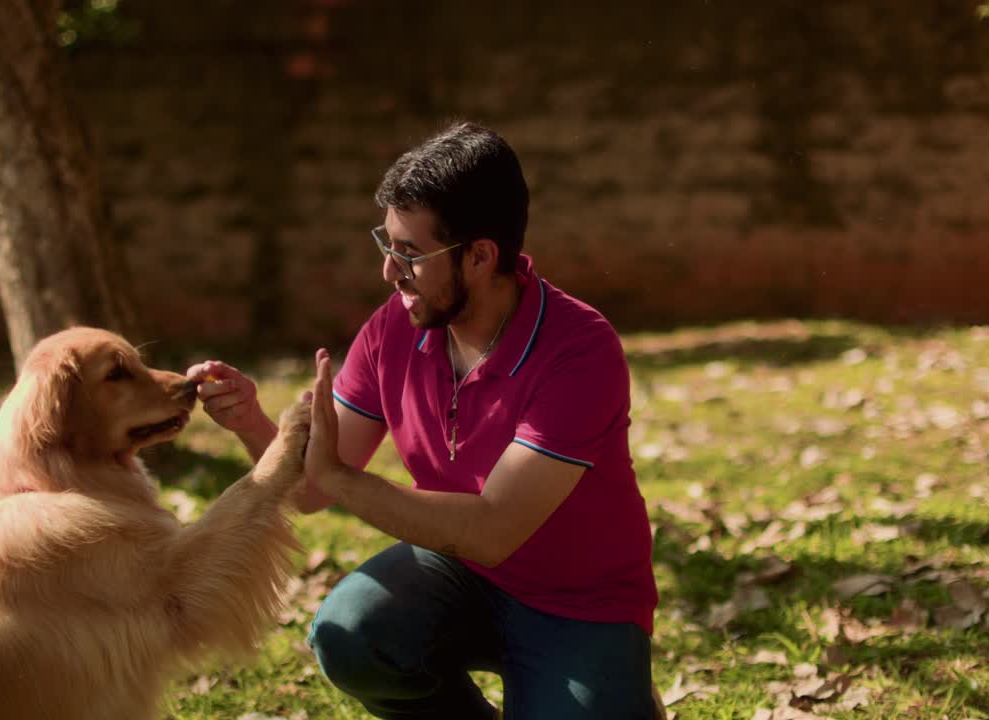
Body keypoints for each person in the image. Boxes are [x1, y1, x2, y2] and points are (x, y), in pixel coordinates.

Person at [189, 122, 659, 719]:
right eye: (386, 245)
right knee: (351, 634)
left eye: (410, 253)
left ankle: (617, 692)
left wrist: (339, 478)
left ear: (480, 256)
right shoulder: (395, 326)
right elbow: (309, 489)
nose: (390, 271)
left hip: (580, 604)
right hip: (458, 574)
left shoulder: (579, 348)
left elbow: (494, 530)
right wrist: (250, 420)